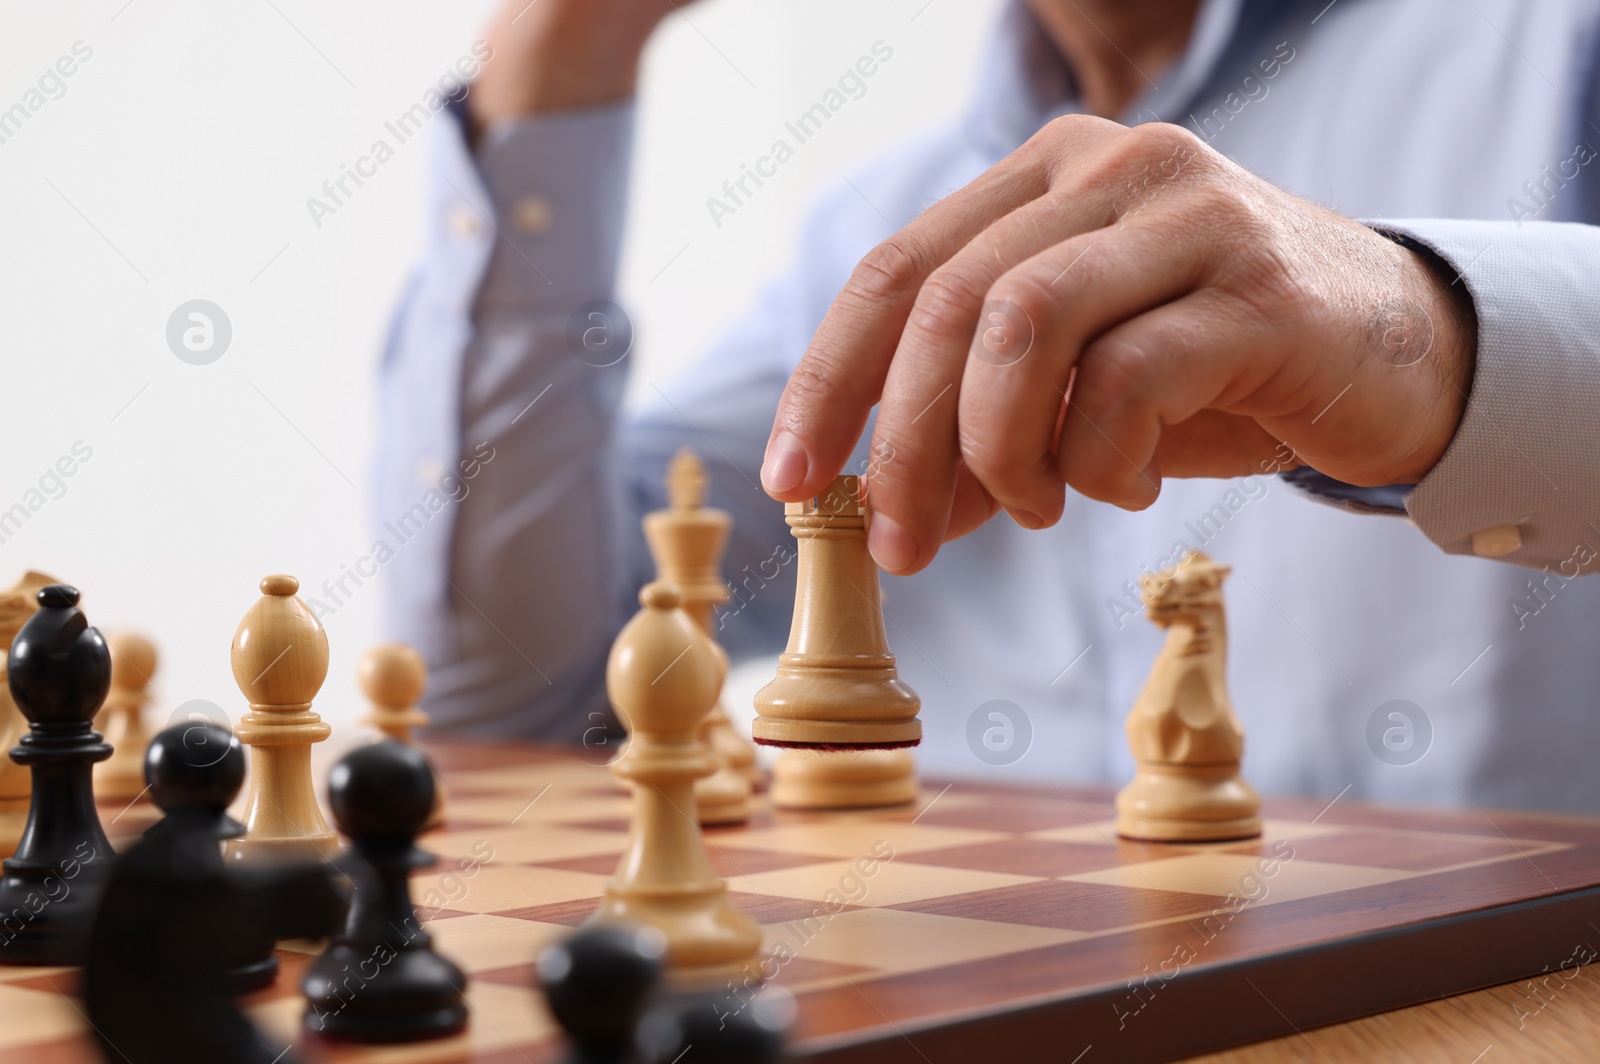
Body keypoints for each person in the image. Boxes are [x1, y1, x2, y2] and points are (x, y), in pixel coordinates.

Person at [376, 0, 1600, 811]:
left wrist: (1432, 337)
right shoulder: (880, 230)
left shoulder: (1553, 49)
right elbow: (515, 705)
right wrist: (560, 51)